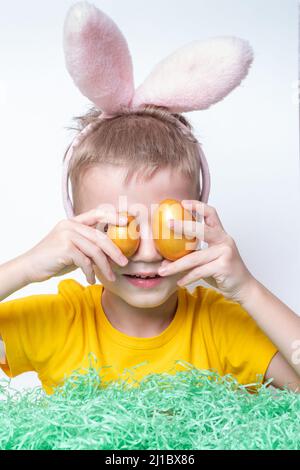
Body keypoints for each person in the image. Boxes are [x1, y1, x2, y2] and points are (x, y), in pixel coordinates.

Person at [0, 2, 299, 395]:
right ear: (78, 230)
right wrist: (26, 267)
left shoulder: (220, 324)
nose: (146, 252)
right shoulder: (63, 319)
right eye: (117, 226)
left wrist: (247, 288)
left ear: (200, 224)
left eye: (168, 224)